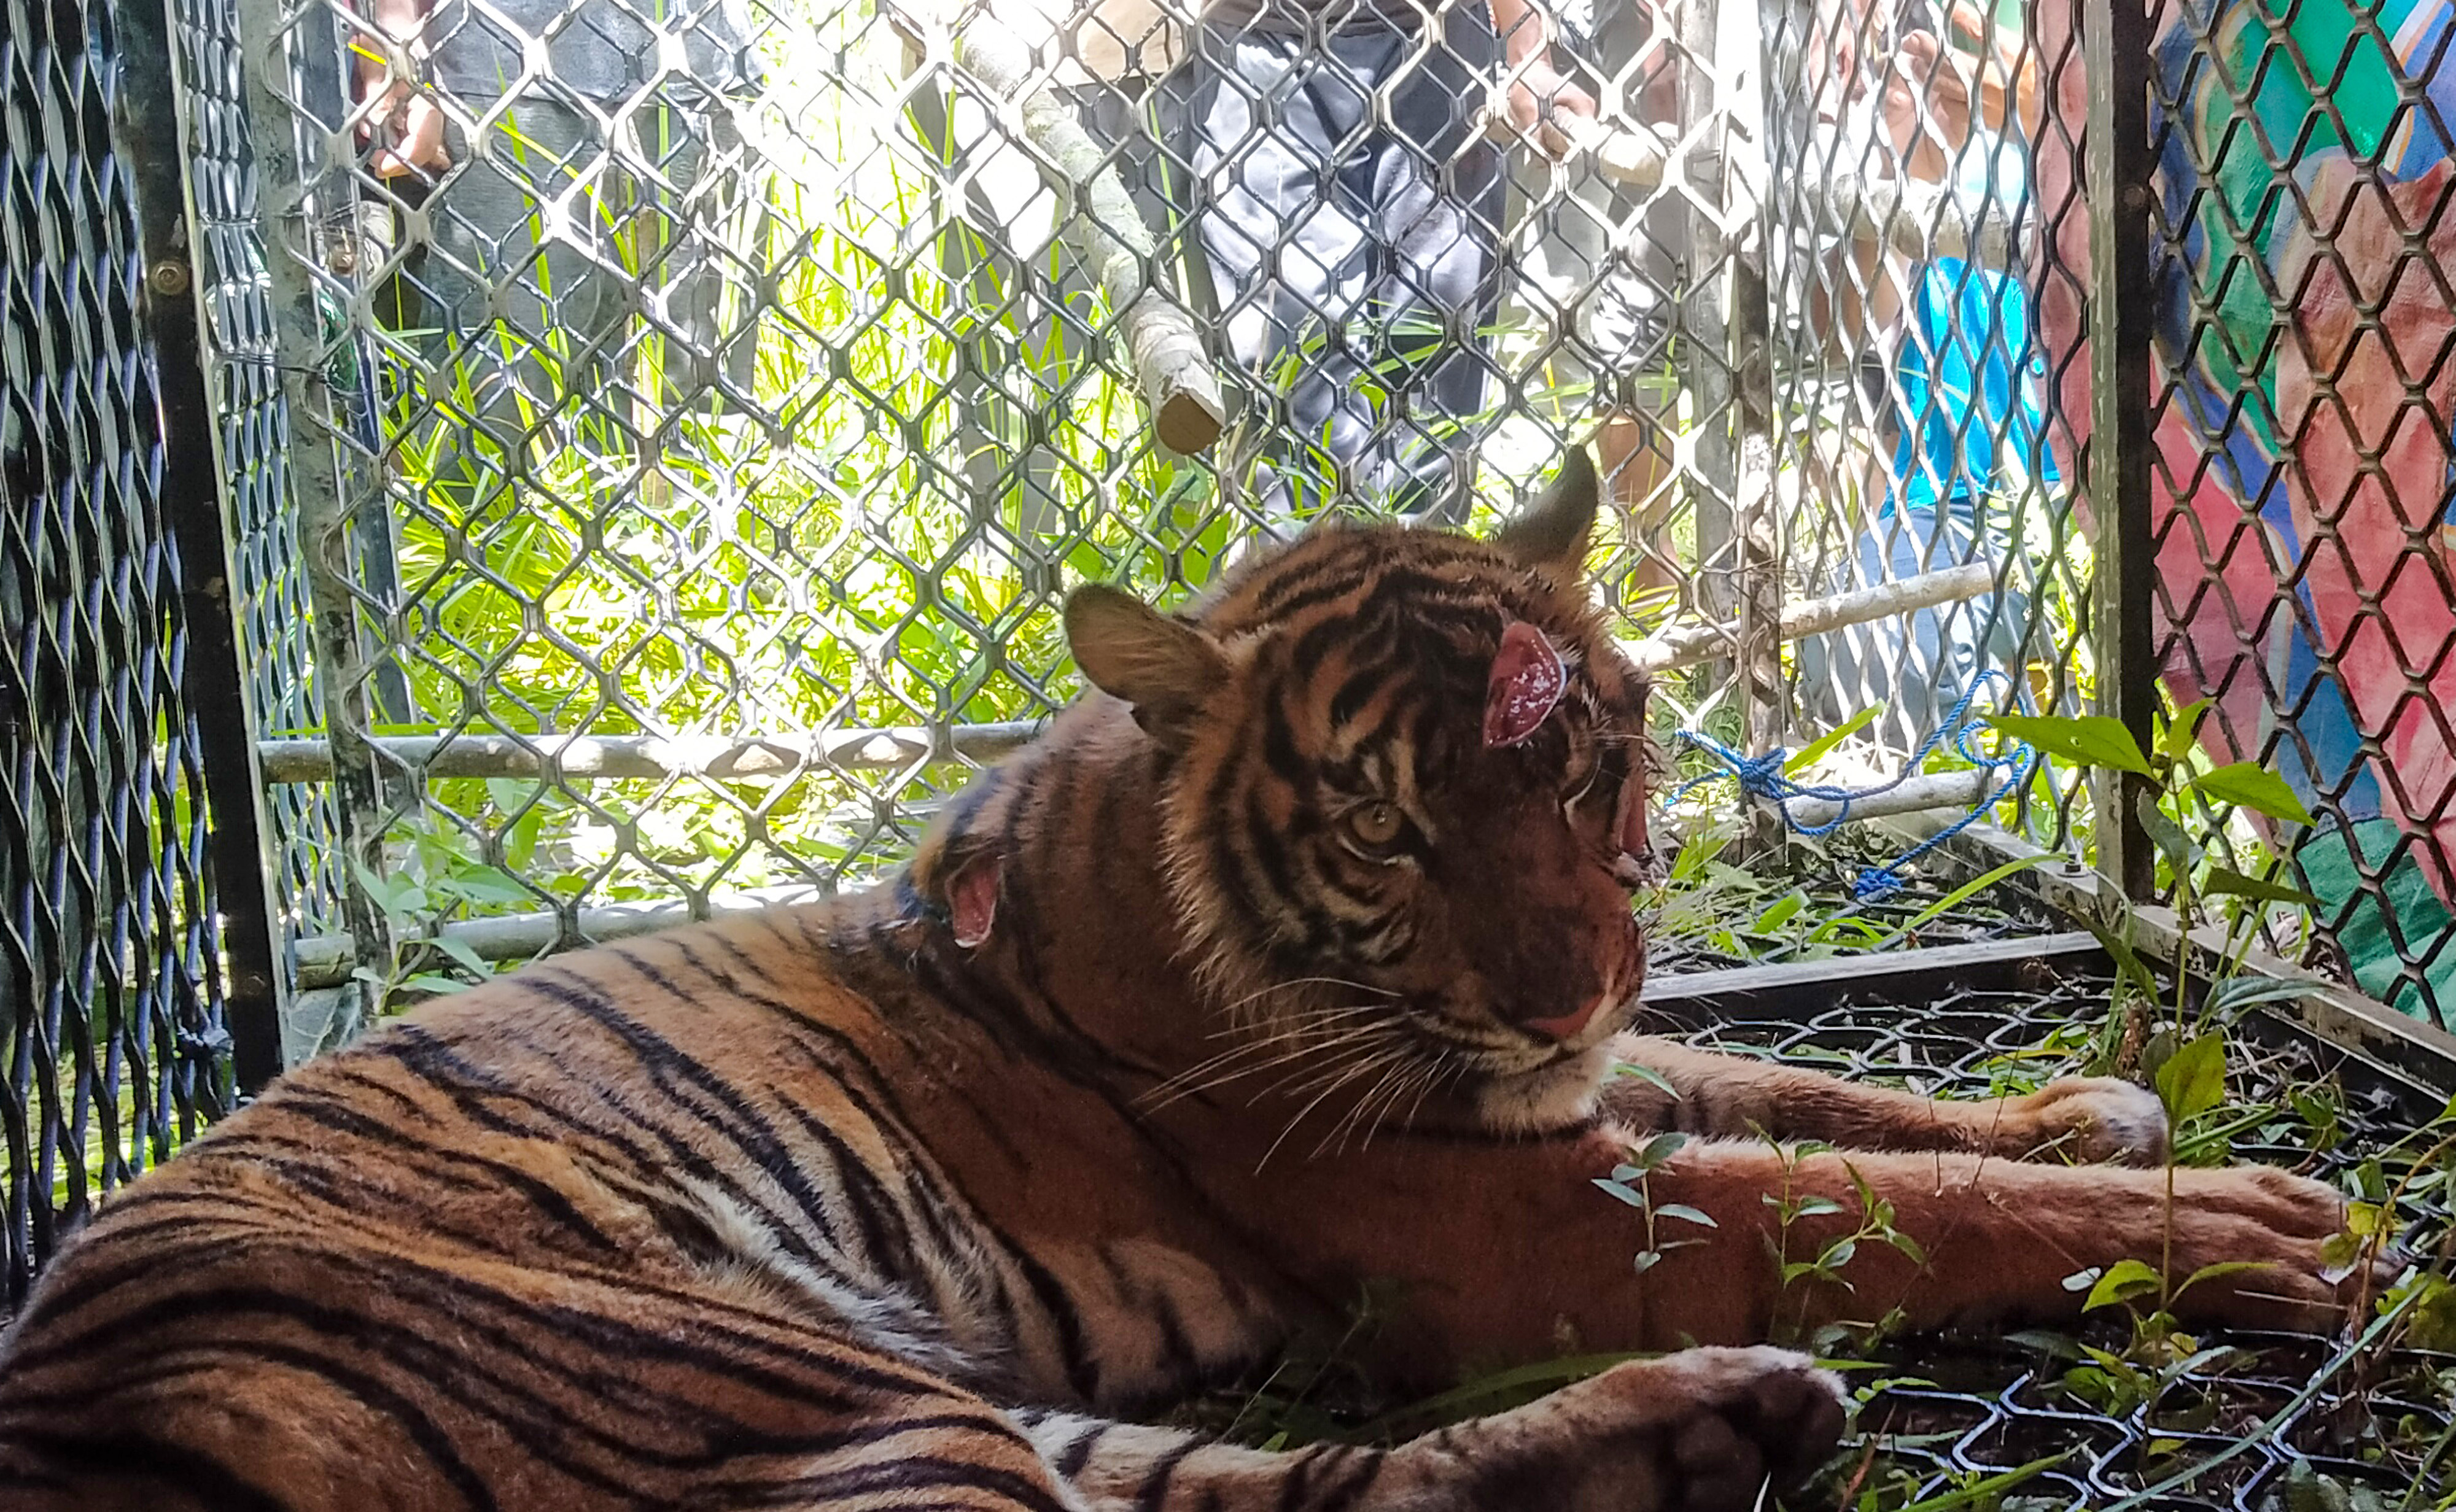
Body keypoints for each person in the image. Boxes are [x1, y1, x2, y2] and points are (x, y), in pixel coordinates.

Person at [1182, 0, 1602, 527]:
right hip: (1260, 44)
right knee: (1303, 379)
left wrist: (1527, 51)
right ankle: (1314, 589)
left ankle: (1434, 594)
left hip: (1440, 46)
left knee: (1434, 369)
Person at [351, 0, 767, 516]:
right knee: (492, 427)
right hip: (499, 64)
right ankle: (487, 583)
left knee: (688, 420)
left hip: (702, 67)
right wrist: (395, 34)